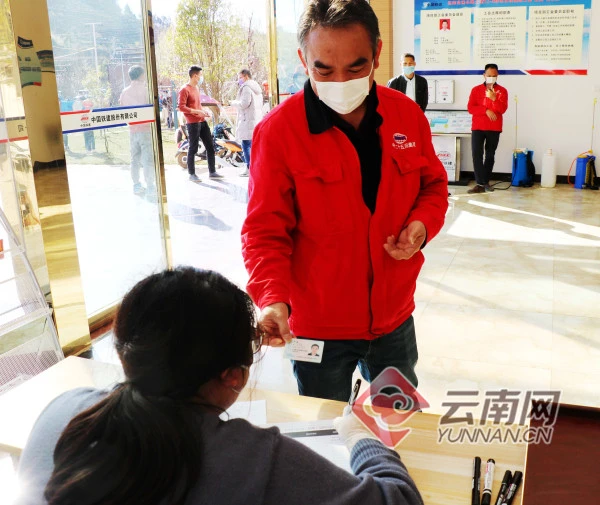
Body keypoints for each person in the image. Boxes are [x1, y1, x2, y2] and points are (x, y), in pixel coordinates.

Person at [16, 267, 424, 505]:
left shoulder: (62, 411)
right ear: (234, 376)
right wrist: (363, 440)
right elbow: (399, 500)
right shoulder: (256, 459)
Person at [241, 0, 448, 401]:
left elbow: (433, 186)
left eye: (355, 67)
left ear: (377, 54)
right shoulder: (279, 132)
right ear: (304, 59)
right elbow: (264, 230)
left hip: (392, 317)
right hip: (316, 326)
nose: (340, 81)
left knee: (395, 416)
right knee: (325, 427)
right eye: (323, 69)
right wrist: (272, 299)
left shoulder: (406, 116)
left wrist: (422, 225)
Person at [467, 63, 508, 194]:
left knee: (490, 155)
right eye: (489, 75)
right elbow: (470, 108)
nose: (491, 78)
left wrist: (494, 99)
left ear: (497, 76)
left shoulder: (502, 91)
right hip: (478, 127)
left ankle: (485, 182)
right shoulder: (476, 90)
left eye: (494, 75)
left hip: (494, 128)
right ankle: (479, 183)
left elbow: (502, 109)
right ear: (484, 75)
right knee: (477, 154)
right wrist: (486, 110)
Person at [177, 65, 221, 182]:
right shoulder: (184, 89)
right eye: (200, 75)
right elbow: (181, 107)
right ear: (195, 76)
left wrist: (203, 112)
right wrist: (197, 112)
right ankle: (192, 174)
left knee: (210, 146)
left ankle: (212, 172)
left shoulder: (196, 88)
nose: (201, 78)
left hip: (202, 121)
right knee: (193, 148)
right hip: (192, 123)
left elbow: (197, 104)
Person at [119, 65, 156, 196]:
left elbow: (122, 110)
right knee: (147, 160)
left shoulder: (124, 92)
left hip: (133, 130)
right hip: (146, 130)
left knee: (134, 159)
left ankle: (136, 185)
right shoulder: (146, 91)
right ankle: (150, 186)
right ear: (141, 75)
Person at [231, 69, 263, 177]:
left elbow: (244, 103)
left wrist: (233, 103)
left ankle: (249, 168)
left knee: (245, 144)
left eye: (240, 77)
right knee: (254, 145)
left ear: (246, 76)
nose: (239, 80)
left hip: (247, 120)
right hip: (255, 120)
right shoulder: (256, 88)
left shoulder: (246, 87)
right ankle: (256, 168)